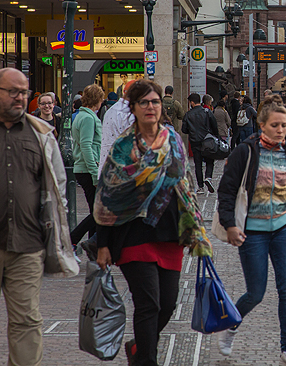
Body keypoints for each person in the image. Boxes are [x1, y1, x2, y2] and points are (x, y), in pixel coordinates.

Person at [0, 68, 78, 366]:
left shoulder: (41, 133)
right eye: (13, 91)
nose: (20, 97)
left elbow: (57, 185)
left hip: (27, 245)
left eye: (24, 92)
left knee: (27, 323)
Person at [95, 79, 211, 366]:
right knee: (149, 304)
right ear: (133, 108)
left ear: (162, 106)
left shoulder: (172, 139)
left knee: (168, 305)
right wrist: (103, 244)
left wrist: (195, 227)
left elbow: (184, 183)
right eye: (144, 102)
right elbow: (107, 197)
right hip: (134, 233)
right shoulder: (123, 146)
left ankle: (138, 347)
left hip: (170, 232)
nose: (151, 107)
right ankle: (147, 360)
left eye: (155, 102)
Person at [216, 95, 286, 366]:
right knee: (256, 293)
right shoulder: (245, 152)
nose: (280, 130)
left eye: (283, 125)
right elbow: (226, 192)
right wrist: (231, 225)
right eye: (274, 125)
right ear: (261, 124)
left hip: (281, 228)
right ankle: (232, 323)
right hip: (253, 232)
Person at [70, 84, 104, 249]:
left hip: (84, 168)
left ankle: (92, 245)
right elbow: (86, 145)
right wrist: (95, 173)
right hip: (87, 169)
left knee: (95, 212)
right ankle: (72, 239)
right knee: (100, 212)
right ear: (97, 100)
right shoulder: (89, 118)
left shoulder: (81, 116)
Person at [182, 93, 220, 193]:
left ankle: (200, 186)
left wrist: (192, 131)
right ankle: (208, 177)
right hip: (207, 141)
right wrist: (216, 137)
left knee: (198, 164)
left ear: (192, 102)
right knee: (209, 161)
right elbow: (214, 126)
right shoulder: (207, 112)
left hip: (195, 142)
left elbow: (184, 130)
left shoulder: (188, 114)